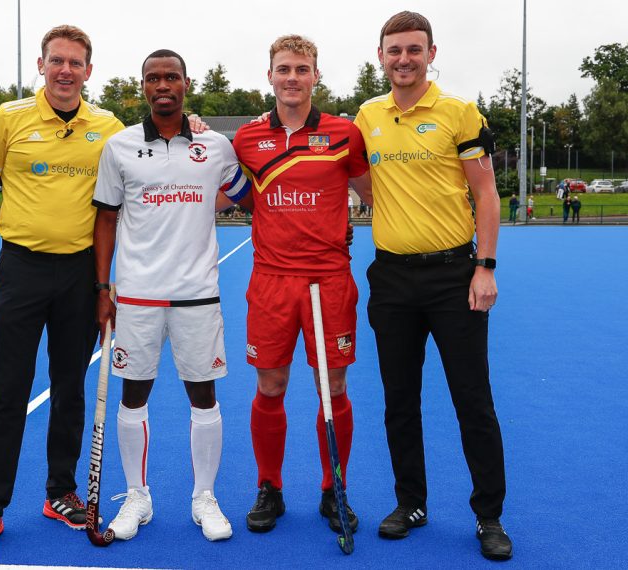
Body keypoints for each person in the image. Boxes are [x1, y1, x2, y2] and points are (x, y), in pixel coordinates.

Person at [0, 25, 126, 557]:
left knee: (69, 389)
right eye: (57, 61)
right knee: (7, 391)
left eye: (75, 63)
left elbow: (136, 176)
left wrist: (194, 125)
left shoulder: (109, 127)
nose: (65, 71)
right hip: (21, 269)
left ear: (89, 71)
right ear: (41, 65)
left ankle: (61, 492)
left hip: (80, 274)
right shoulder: (8, 118)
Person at [353, 11, 512, 561]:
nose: (404, 59)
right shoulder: (367, 115)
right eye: (394, 50)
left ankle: (488, 515)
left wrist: (485, 266)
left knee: (473, 399)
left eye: (413, 49)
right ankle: (411, 503)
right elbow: (350, 169)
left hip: (453, 278)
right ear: (381, 56)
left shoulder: (460, 113)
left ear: (431, 53)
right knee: (399, 400)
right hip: (392, 277)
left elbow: (486, 193)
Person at [92, 50, 250, 543]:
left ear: (186, 83)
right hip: (138, 296)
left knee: (203, 396)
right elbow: (106, 219)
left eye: (172, 77)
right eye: (153, 78)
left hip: (197, 295)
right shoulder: (119, 146)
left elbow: (248, 195)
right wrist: (103, 288)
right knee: (133, 394)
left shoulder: (215, 145)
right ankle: (136, 495)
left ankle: (204, 497)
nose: (163, 85)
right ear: (142, 86)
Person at [232, 35, 368, 536]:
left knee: (333, 388)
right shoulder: (246, 138)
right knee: (270, 387)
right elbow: (231, 188)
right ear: (269, 75)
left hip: (329, 280)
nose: (293, 77)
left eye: (302, 69)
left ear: (316, 76)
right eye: (284, 69)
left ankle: (335, 489)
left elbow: (377, 193)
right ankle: (270, 487)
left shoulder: (345, 134)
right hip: (271, 281)